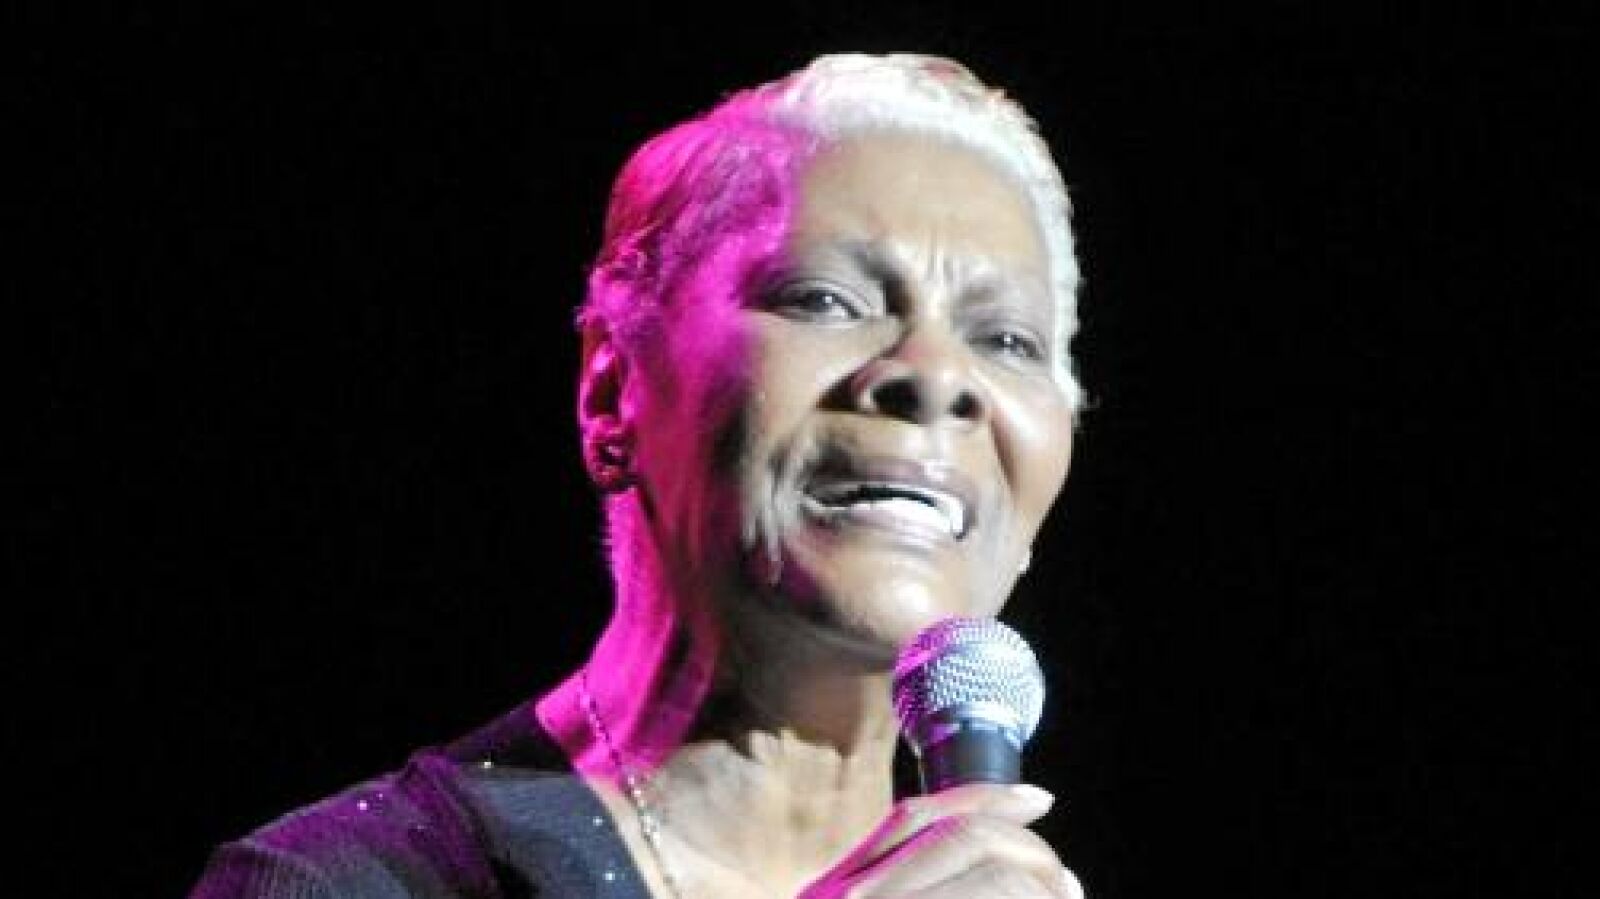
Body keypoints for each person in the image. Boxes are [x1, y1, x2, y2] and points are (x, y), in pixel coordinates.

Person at [192, 52, 1088, 898]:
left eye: (1007, 340)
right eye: (824, 299)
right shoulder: (343, 881)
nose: (934, 375)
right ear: (611, 388)